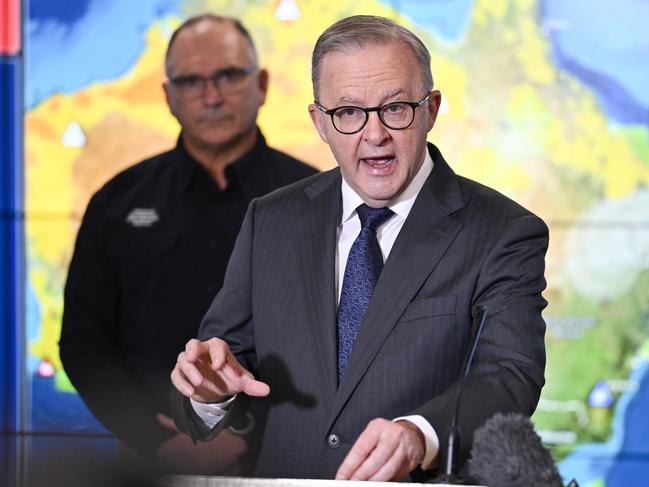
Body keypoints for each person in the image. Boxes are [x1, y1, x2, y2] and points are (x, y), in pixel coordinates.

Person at [170, 15, 548, 481]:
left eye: (395, 108)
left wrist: (418, 434)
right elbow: (225, 362)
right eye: (348, 113)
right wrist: (209, 395)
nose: (374, 135)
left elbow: (510, 376)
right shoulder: (270, 220)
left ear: (430, 109)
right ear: (320, 123)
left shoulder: (503, 232)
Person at [59, 14, 316, 473]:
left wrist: (260, 436)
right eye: (192, 81)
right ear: (168, 96)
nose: (212, 96)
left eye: (228, 76)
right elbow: (84, 344)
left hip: (291, 460)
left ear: (261, 84)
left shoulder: (320, 199)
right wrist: (156, 438)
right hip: (154, 460)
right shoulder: (117, 203)